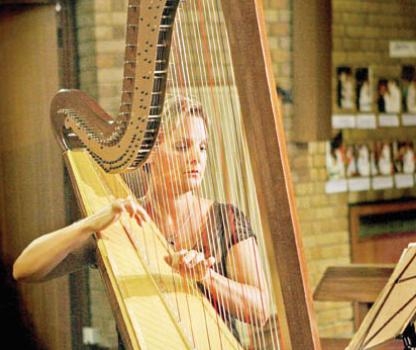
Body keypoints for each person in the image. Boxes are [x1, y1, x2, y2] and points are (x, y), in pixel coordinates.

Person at [13, 95, 270, 342]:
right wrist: (89, 223)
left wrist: (207, 277)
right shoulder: (121, 222)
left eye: (202, 146)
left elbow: (260, 312)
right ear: (151, 152)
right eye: (182, 146)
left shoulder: (226, 220)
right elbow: (24, 269)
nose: (197, 158)